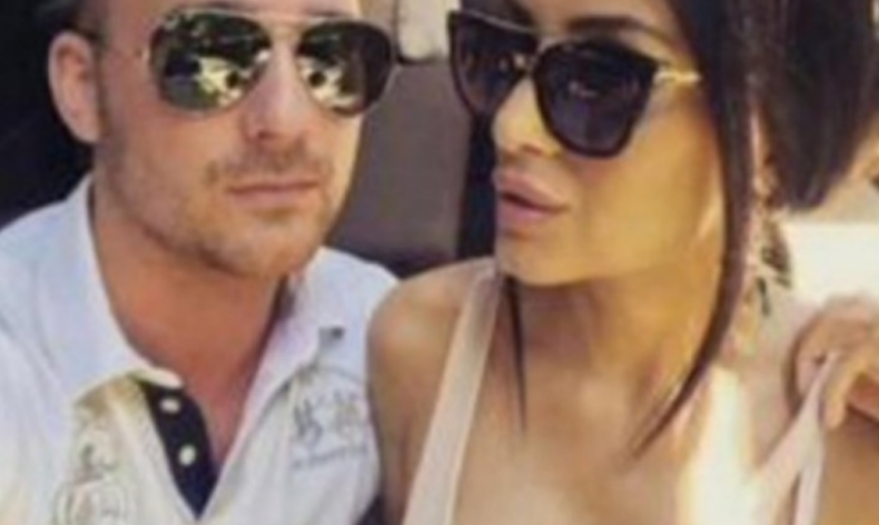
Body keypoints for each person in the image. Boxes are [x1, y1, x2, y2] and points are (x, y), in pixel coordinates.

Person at [370, 0, 879, 524]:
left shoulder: (845, 422)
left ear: (768, 127)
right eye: (500, 52)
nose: (512, 125)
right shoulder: (420, 351)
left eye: (599, 80)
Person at [0, 0, 399, 523]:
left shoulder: (394, 348)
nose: (286, 119)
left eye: (331, 55)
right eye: (209, 55)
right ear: (83, 87)